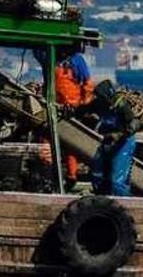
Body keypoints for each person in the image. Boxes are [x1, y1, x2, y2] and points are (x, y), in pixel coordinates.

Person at [35, 49, 94, 184]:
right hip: (52, 107)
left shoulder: (77, 60)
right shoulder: (48, 56)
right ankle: (47, 175)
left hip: (71, 110)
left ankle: (71, 177)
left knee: (70, 145)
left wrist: (82, 106)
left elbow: (88, 84)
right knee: (46, 142)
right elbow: (37, 52)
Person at [76, 80, 141, 196]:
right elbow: (82, 111)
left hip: (123, 144)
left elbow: (134, 122)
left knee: (117, 181)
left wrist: (123, 133)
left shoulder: (121, 104)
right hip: (107, 142)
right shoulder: (98, 103)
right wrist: (71, 110)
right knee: (97, 174)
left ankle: (124, 205)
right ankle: (101, 200)